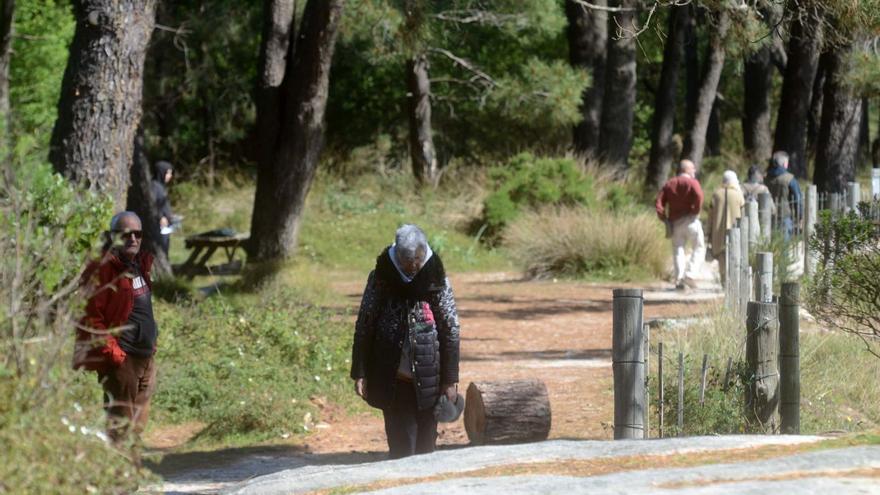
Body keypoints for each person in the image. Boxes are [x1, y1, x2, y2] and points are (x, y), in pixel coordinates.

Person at [350, 224, 460, 459]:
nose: (412, 267)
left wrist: (450, 380)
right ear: (396, 255)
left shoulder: (436, 277)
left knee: (426, 451)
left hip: (430, 378)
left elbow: (450, 328)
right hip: (393, 379)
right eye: (406, 262)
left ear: (424, 253)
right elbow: (365, 323)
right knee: (401, 450)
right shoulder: (381, 277)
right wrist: (360, 371)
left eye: (417, 261)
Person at [74, 212, 159, 461]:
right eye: (125, 234)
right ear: (113, 237)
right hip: (123, 360)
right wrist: (116, 356)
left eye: (137, 233)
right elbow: (90, 320)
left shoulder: (139, 264)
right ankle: (120, 483)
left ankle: (129, 479)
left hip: (146, 358)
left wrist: (152, 345)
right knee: (120, 425)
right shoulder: (101, 269)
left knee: (137, 424)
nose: (132, 238)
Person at [655, 159, 706, 290]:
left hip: (675, 222)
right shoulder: (692, 182)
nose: (694, 170)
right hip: (691, 220)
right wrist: (695, 210)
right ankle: (690, 275)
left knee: (678, 249)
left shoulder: (670, 183)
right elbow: (699, 196)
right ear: (686, 170)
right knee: (699, 247)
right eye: (692, 168)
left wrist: (664, 218)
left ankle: (679, 279)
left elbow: (659, 203)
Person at [706, 170, 745, 285]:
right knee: (733, 255)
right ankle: (732, 281)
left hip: (718, 231)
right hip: (735, 230)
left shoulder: (716, 194)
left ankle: (724, 280)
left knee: (722, 256)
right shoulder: (738, 194)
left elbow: (710, 216)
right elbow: (743, 214)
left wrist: (708, 232)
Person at [764, 151, 801, 241]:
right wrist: (799, 216)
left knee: (768, 242)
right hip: (785, 215)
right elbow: (798, 198)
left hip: (767, 215)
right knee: (784, 244)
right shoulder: (790, 178)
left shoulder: (765, 178)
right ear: (785, 164)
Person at [151, 160, 175, 255]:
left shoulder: (161, 187)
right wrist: (160, 217)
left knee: (165, 247)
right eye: (168, 173)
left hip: (165, 225)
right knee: (161, 249)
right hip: (158, 225)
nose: (170, 176)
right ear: (161, 172)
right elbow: (152, 204)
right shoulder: (154, 186)